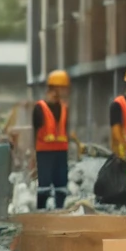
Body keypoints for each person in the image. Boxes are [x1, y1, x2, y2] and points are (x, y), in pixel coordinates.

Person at [34, 69, 74, 209]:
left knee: (61, 186)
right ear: (54, 88)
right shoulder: (40, 108)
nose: (65, 91)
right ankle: (41, 212)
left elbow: (65, 129)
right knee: (44, 187)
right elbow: (35, 131)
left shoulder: (64, 108)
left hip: (61, 152)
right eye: (62, 88)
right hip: (45, 153)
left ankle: (59, 212)